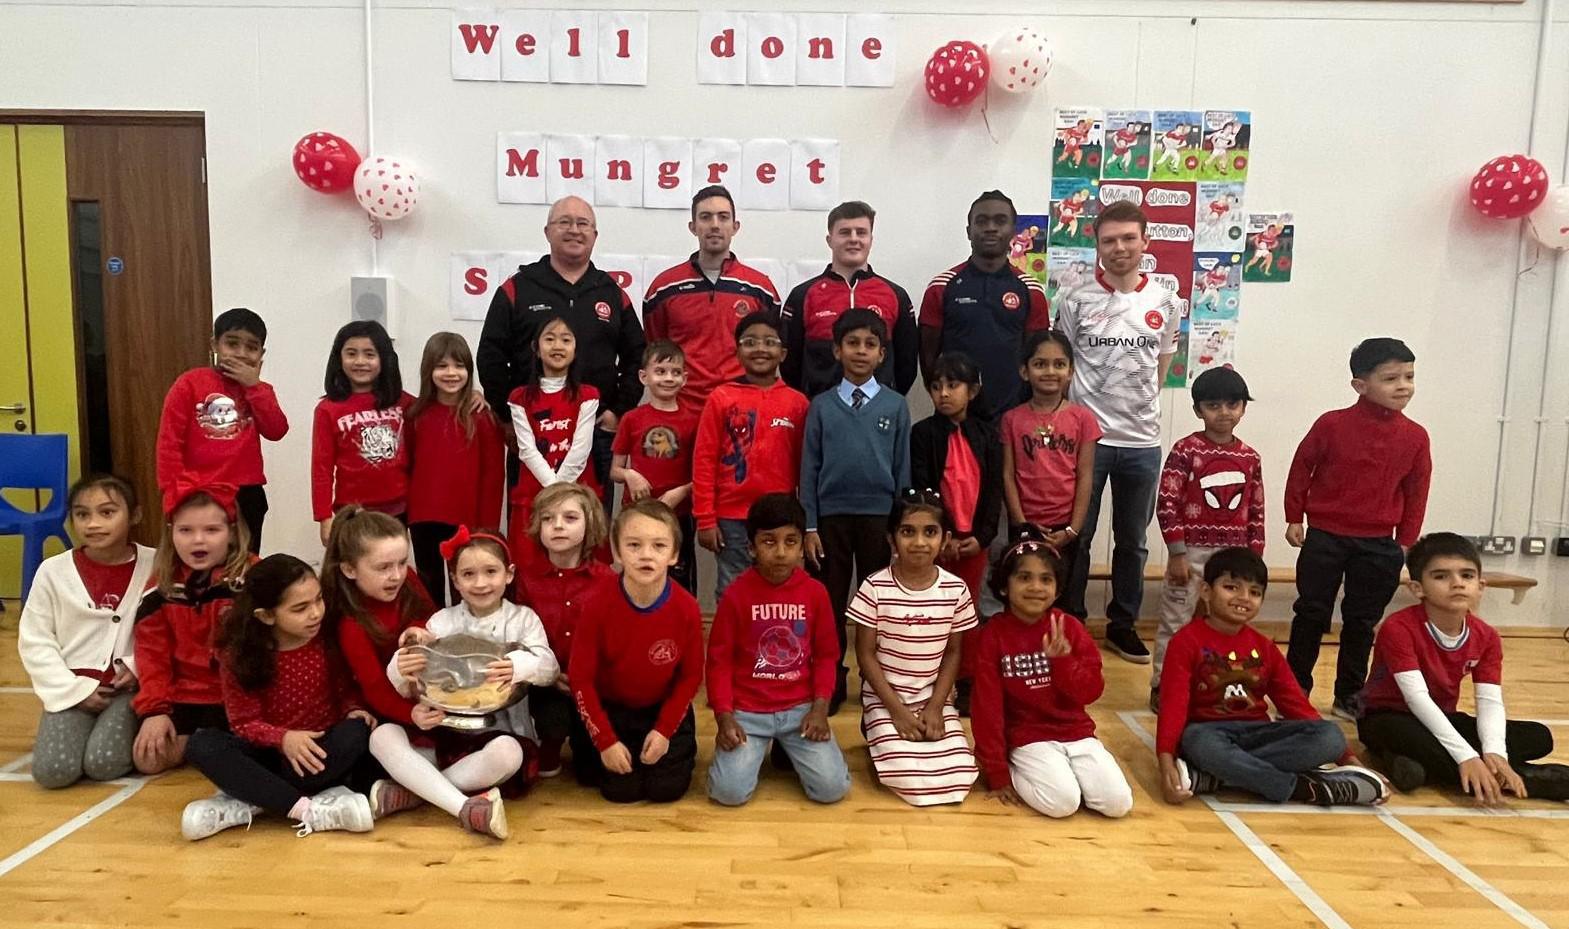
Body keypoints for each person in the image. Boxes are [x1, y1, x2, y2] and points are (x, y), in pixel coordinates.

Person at [1156, 548, 1389, 807]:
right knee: (1199, 744)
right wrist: (1165, 762)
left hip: (1259, 733)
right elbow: (1173, 705)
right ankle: (1303, 788)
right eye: (1231, 587)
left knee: (1330, 736)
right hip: (1209, 733)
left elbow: (1295, 704)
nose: (1244, 598)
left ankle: (1220, 776)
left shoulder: (1264, 646)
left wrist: (1350, 761)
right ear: (1206, 591)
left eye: (1255, 592)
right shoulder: (1185, 641)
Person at [1054, 199, 1182, 664]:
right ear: (1097, 245)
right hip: (1087, 440)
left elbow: (1161, 367)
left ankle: (1122, 624)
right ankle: (1071, 619)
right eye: (1109, 240)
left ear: (1145, 241)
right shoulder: (1075, 300)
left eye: (1129, 238)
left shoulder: (1166, 301)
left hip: (1142, 442)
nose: (1120, 247)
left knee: (1133, 541)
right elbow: (1062, 365)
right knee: (1078, 535)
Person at [371, 528, 558, 839]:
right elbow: (409, 679)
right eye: (468, 574)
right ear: (455, 580)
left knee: (508, 754)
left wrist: (518, 665)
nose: (480, 583)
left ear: (509, 574)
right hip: (442, 730)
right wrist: (402, 666)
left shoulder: (523, 619)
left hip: (497, 735)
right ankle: (457, 801)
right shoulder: (441, 621)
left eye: (490, 572)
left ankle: (419, 791)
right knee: (381, 737)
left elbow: (549, 668)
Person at [1358, 533, 1569, 803]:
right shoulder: (1398, 627)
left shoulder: (1487, 636)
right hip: (1386, 718)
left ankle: (1414, 767)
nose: (1457, 583)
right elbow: (1417, 698)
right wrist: (1466, 756)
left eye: (1466, 575)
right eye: (1441, 576)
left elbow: (1489, 700)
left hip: (1443, 717)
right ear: (1417, 588)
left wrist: (1496, 753)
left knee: (1539, 737)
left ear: (1480, 586)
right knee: (1411, 737)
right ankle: (1525, 778)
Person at [181, 554, 378, 840]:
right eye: (300, 608)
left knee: (359, 731)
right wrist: (284, 739)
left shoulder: (327, 637)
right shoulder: (240, 653)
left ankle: (254, 797)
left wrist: (352, 709)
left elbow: (344, 689)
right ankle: (305, 809)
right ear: (266, 615)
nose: (316, 613)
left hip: (318, 753)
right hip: (268, 754)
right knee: (202, 745)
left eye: (318, 600)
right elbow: (243, 722)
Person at [1284, 337, 1430, 717]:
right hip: (1325, 536)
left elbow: (1417, 491)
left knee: (1362, 622)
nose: (1403, 386)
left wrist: (1406, 541)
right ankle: (1293, 690)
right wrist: (1293, 516)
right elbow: (1302, 467)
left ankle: (1349, 694)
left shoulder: (1416, 437)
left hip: (1379, 544)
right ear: (1360, 385)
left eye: (1409, 377)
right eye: (1391, 378)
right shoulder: (1331, 424)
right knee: (1311, 613)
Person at [477, 196, 645, 503]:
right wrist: (506, 416)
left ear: (595, 234)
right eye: (564, 222)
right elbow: (491, 355)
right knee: (532, 522)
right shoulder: (518, 288)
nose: (574, 230)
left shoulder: (611, 292)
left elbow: (638, 355)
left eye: (583, 224)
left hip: (596, 435)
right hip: (530, 434)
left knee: (591, 524)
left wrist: (618, 411)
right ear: (547, 232)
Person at [972, 529, 1133, 819]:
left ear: (1057, 590)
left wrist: (1062, 663)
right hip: (1027, 737)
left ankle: (1070, 775)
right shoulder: (993, 635)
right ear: (1004, 586)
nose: (1035, 587)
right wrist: (996, 771)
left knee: (1118, 804)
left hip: (1076, 733)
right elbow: (986, 708)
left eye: (1046, 579)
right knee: (1062, 804)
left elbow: (1091, 691)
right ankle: (1021, 767)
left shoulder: (1069, 627)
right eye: (1024, 577)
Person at [705, 494, 850, 806]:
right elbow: (719, 661)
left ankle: (786, 747)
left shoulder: (815, 593)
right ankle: (763, 750)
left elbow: (827, 656)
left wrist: (820, 709)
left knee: (832, 789)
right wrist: (724, 717)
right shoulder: (735, 596)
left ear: (801, 546)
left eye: (790, 541)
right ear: (751, 547)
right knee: (728, 793)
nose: (781, 552)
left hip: (801, 711)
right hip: (748, 712)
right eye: (769, 542)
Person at [801, 308, 911, 712]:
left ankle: (875, 681)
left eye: (870, 344)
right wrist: (809, 525)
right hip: (830, 521)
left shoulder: (896, 406)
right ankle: (829, 681)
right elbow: (808, 469)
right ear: (837, 350)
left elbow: (902, 470)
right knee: (828, 603)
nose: (861, 351)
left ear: (882, 354)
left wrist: (899, 529)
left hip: (879, 520)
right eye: (852, 343)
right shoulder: (821, 406)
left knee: (877, 604)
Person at [20, 475, 156, 789]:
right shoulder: (53, 571)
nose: (93, 524)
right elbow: (35, 640)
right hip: (72, 688)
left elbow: (170, 631)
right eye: (82, 514)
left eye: (107, 512)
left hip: (131, 689)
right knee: (53, 772)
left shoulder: (156, 564)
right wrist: (73, 691)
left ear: (135, 515)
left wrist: (137, 667)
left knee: (104, 762)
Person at [850, 489, 979, 806]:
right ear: (892, 539)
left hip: (933, 696)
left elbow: (953, 652)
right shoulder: (874, 587)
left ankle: (918, 731)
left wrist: (936, 706)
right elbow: (865, 655)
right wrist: (897, 711)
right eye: (908, 532)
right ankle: (875, 727)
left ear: (945, 539)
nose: (919, 542)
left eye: (930, 532)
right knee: (911, 779)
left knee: (960, 777)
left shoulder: (955, 589)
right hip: (887, 698)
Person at [570, 500, 705, 803]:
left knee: (666, 790)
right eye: (634, 545)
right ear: (617, 553)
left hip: (660, 707)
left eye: (659, 546)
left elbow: (690, 677)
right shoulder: (596, 605)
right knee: (620, 791)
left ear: (674, 555)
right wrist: (605, 741)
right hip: (612, 708)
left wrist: (664, 731)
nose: (646, 555)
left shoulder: (687, 608)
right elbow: (581, 679)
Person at [1151, 367, 1264, 712]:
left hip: (1233, 557)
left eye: (1233, 404)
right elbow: (1167, 503)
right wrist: (1177, 553)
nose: (1224, 413)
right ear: (1198, 409)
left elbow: (1256, 510)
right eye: (1213, 405)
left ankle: (1218, 683)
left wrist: (1254, 558)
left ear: (1243, 408)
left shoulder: (1250, 457)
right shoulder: (1185, 451)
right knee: (1176, 620)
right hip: (1191, 554)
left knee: (1227, 623)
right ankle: (1163, 686)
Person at [130, 482, 252, 775]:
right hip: (185, 696)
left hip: (239, 696)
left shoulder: (252, 579)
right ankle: (207, 745)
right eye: (185, 530)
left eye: (212, 530)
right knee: (148, 760)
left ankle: (214, 746)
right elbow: (152, 657)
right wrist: (155, 710)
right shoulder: (161, 588)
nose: (198, 540)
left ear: (232, 532)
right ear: (171, 533)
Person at [691, 312, 810, 599]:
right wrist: (705, 519)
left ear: (783, 354)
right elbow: (704, 460)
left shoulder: (797, 403)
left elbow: (806, 468)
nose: (760, 349)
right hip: (731, 517)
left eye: (769, 342)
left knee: (780, 587)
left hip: (781, 517)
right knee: (733, 588)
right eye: (750, 342)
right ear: (737, 351)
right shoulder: (721, 397)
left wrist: (804, 520)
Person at [156, 307, 287, 552]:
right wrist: (173, 495)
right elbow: (169, 444)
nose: (241, 353)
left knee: (244, 562)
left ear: (261, 354)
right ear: (215, 344)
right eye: (232, 344)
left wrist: (254, 387)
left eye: (251, 347)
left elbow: (276, 430)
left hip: (246, 493)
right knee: (200, 559)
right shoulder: (189, 383)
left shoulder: (260, 389)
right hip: (199, 491)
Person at [643, 185, 780, 413]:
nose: (715, 225)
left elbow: (771, 354)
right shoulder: (663, 288)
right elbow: (655, 348)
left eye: (723, 217)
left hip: (743, 411)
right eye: (706, 217)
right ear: (693, 227)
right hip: (681, 410)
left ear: (735, 226)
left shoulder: (761, 289)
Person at [919, 190, 1051, 420]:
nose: (991, 228)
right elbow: (927, 357)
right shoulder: (941, 287)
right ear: (969, 231)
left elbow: (1037, 357)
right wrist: (948, 399)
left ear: (1013, 230)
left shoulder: (1031, 290)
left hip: (1012, 418)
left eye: (1000, 221)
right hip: (955, 419)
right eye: (981, 221)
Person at [515, 482, 614, 777]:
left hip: (594, 684)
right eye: (548, 518)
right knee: (552, 722)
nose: (558, 526)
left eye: (570, 518)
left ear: (589, 523)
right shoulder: (525, 579)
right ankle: (548, 741)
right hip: (546, 682)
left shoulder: (607, 580)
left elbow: (611, 639)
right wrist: (550, 674)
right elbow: (519, 636)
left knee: (591, 773)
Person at [406, 332, 505, 607]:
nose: (451, 373)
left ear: (469, 371)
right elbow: (408, 464)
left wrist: (487, 529)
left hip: (466, 520)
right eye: (442, 366)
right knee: (429, 587)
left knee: (466, 586)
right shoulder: (414, 414)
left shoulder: (482, 417)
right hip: (423, 518)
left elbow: (493, 477)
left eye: (459, 366)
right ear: (428, 370)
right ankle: (433, 630)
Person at [781, 200, 917, 398]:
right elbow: (789, 364)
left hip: (879, 410)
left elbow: (907, 364)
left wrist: (885, 400)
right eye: (845, 232)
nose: (854, 239)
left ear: (871, 239)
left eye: (861, 233)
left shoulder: (896, 295)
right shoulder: (802, 295)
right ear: (829, 240)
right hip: (819, 408)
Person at [325, 507, 437, 735]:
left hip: (429, 695)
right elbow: (375, 690)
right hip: (387, 712)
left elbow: (430, 617)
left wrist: (417, 629)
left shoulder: (409, 580)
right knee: (383, 739)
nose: (396, 575)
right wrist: (411, 714)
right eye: (383, 567)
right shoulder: (351, 624)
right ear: (349, 569)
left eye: (402, 563)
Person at [1000, 331, 1098, 584]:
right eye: (1040, 364)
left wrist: (1073, 529)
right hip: (1025, 524)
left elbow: (1085, 475)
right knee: (1023, 590)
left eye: (1059, 364)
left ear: (1071, 371)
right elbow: (1008, 475)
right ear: (1025, 371)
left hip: (1065, 527)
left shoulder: (1084, 419)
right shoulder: (1011, 419)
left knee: (1063, 592)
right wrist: (1021, 523)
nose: (1050, 371)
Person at [505, 315, 601, 563]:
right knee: (530, 567)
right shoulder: (519, 397)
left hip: (577, 491)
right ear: (536, 348)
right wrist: (554, 489)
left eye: (566, 340)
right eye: (549, 339)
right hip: (533, 494)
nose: (558, 346)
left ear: (575, 349)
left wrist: (560, 492)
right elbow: (526, 450)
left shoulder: (588, 395)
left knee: (579, 566)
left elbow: (581, 449)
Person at [311, 320, 415, 548]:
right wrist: (323, 516)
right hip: (352, 512)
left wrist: (472, 396)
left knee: (390, 563)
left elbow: (438, 409)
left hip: (399, 508)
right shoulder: (328, 409)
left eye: (369, 354)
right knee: (355, 565)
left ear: (384, 359)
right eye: (351, 353)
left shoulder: (405, 403)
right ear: (339, 358)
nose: (360, 361)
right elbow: (321, 468)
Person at [910, 352, 1002, 607]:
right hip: (937, 539)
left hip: (974, 540)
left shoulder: (988, 436)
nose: (944, 394)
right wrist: (942, 534)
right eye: (936, 387)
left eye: (952, 386)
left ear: (972, 391)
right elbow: (923, 486)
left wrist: (983, 538)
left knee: (967, 606)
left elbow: (994, 490)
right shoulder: (922, 433)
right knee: (933, 602)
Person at [610, 341, 701, 593]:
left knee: (679, 580)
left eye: (675, 372)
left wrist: (682, 491)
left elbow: (702, 474)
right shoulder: (631, 419)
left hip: (678, 514)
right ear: (644, 377)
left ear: (684, 378)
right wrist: (630, 475)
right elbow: (615, 470)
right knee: (636, 574)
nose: (668, 378)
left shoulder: (694, 419)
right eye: (660, 371)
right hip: (636, 512)